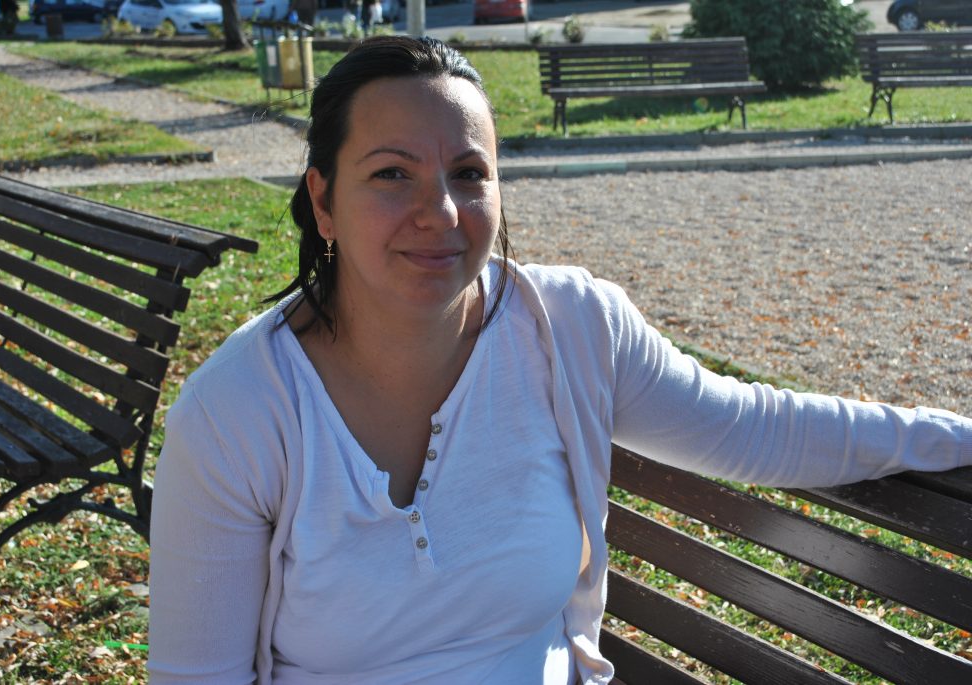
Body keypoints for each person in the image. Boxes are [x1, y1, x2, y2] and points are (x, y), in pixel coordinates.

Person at [147, 36, 972, 684]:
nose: (440, 211)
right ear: (323, 200)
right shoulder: (237, 413)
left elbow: (757, 427)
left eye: (469, 173)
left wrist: (952, 434)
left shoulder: (571, 328)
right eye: (392, 173)